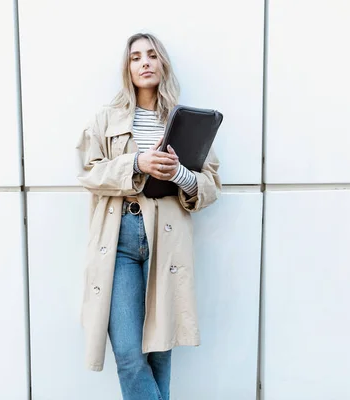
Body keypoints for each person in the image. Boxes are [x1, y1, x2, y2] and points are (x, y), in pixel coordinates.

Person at [76, 32, 221, 400]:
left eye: (152, 55)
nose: (144, 62)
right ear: (127, 68)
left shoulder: (183, 121)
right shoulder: (105, 119)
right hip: (120, 237)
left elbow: (210, 185)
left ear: (162, 64)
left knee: (159, 349)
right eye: (135, 56)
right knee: (127, 351)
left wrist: (178, 174)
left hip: (166, 238)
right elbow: (89, 173)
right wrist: (137, 163)